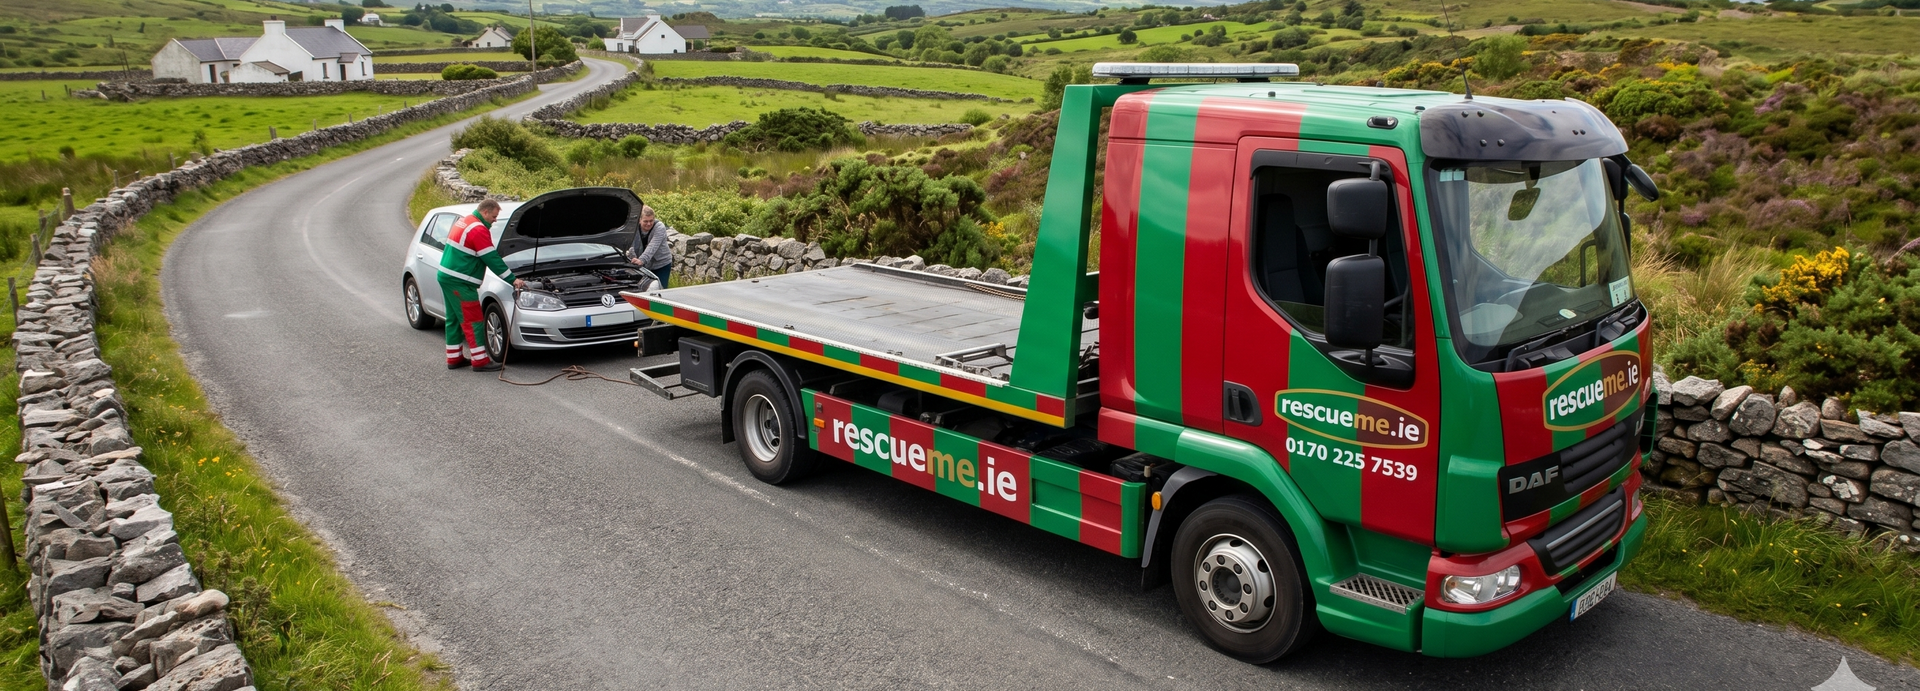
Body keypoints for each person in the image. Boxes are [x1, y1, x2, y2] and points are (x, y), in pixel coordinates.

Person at [438, 199, 526, 371]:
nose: (494, 220)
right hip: (460, 281)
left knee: (454, 319)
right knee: (474, 320)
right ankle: (480, 360)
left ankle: (454, 358)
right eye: (494, 216)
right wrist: (513, 280)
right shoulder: (478, 230)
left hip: (448, 277)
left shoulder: (466, 221)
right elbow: (491, 258)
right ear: (485, 212)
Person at [628, 205, 675, 289]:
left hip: (661, 264)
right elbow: (630, 244)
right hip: (644, 265)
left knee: (661, 290)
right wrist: (634, 258)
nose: (649, 224)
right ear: (639, 220)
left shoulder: (659, 227)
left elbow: (653, 246)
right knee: (643, 290)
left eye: (651, 221)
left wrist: (641, 260)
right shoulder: (633, 227)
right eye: (645, 221)